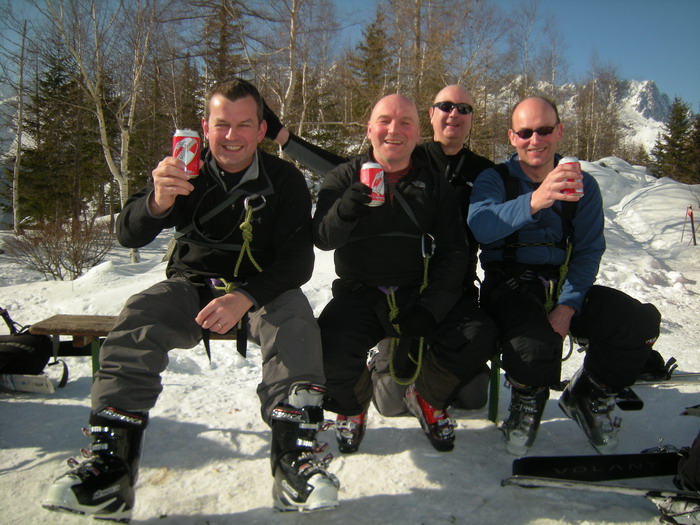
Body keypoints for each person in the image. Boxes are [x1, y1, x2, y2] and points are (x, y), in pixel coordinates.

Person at [42, 78, 339, 520]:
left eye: (244, 125)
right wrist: (158, 202)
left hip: (262, 291)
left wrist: (245, 297)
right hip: (192, 286)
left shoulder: (284, 179)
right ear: (205, 126)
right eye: (222, 125)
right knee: (142, 311)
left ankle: (294, 463)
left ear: (261, 130)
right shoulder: (186, 169)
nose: (232, 136)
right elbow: (128, 232)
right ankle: (110, 470)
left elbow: (298, 263)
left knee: (295, 319)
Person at [263, 85, 497, 422]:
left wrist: (431, 308)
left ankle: (426, 396)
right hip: (366, 292)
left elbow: (455, 248)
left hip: (431, 289)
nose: (394, 130)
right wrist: (344, 208)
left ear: (417, 132)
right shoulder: (357, 172)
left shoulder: (458, 178)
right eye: (385, 121)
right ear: (370, 128)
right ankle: (354, 405)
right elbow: (324, 232)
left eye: (405, 123)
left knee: (476, 361)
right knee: (340, 360)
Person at [468, 96, 661, 456]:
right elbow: (481, 225)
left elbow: (588, 251)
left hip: (561, 282)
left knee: (637, 323)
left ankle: (589, 393)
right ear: (512, 137)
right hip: (509, 284)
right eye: (525, 132)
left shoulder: (581, 185)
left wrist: (568, 305)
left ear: (558, 132)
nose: (534, 140)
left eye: (543, 130)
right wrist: (536, 200)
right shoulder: (494, 179)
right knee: (536, 346)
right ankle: (527, 399)